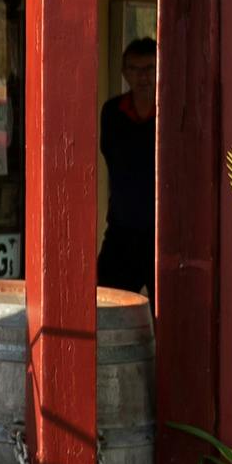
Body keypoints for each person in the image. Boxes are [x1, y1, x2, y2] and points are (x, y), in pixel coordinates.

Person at [96, 37, 157, 294]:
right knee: (105, 304)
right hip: (123, 229)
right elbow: (111, 156)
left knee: (172, 318)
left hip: (163, 233)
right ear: (124, 73)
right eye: (135, 69)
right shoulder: (112, 112)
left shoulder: (176, 108)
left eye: (150, 68)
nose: (143, 77)